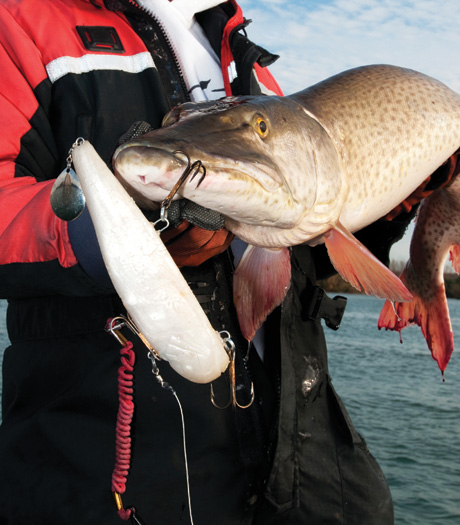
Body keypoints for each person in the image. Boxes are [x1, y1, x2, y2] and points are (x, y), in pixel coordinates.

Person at [0, 0, 425, 523]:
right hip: (114, 469)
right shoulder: (21, 22)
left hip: (310, 464)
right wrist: (117, 233)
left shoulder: (248, 59)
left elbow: (307, 249)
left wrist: (400, 202)